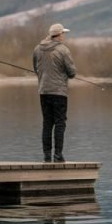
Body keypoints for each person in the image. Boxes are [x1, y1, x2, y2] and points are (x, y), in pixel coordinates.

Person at [33, 23, 76, 163]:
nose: (64, 36)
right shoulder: (63, 50)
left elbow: (35, 68)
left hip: (43, 91)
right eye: (63, 33)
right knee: (59, 123)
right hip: (59, 93)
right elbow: (72, 72)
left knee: (47, 123)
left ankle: (46, 156)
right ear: (58, 35)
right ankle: (58, 156)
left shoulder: (37, 49)